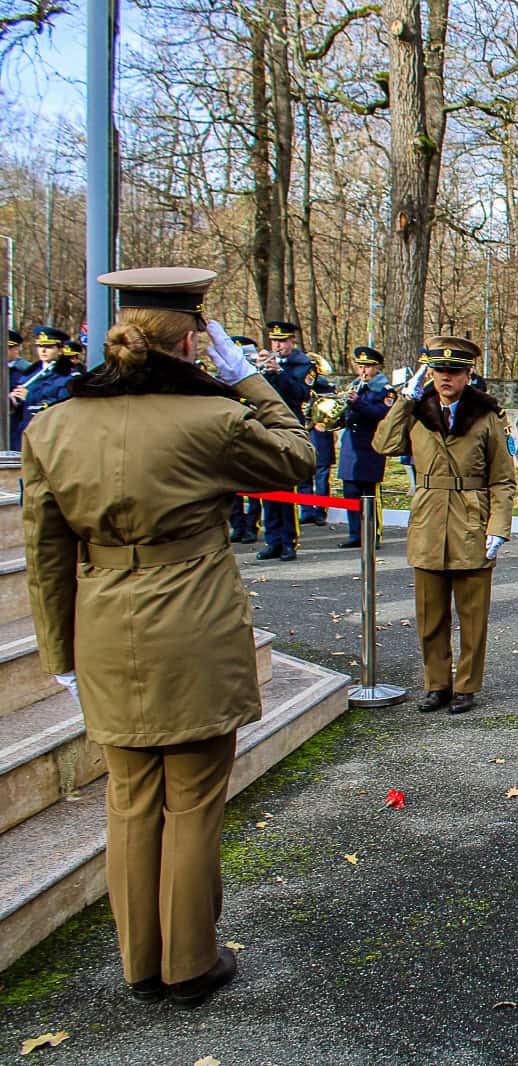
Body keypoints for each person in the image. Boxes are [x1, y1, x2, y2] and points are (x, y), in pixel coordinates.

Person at [21, 267, 314, 1007]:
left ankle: (139, 964)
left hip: (105, 625)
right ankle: (189, 964)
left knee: (128, 797)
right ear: (193, 340)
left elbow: (46, 555)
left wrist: (60, 656)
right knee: (191, 799)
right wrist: (244, 376)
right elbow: (298, 452)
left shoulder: (52, 425)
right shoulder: (208, 420)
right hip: (192, 622)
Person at [373, 336, 516, 715]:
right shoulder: (417, 412)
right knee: (430, 615)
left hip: (471, 520)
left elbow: (502, 479)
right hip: (428, 520)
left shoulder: (486, 417)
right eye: (439, 371)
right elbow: (384, 446)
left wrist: (498, 527)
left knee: (472, 617)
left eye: (454, 371)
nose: (445, 378)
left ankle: (467, 686)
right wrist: (403, 402)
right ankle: (437, 685)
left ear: (469, 374)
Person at [255, 321, 314, 560]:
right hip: (265, 427)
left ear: (292, 342)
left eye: (282, 341)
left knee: (286, 486)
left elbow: (301, 394)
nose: (278, 346)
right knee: (267, 484)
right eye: (274, 341)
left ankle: (289, 540)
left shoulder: (304, 366)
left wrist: (279, 374)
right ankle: (273, 539)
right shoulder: (263, 364)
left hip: (289, 427)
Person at [337, 346, 392, 549]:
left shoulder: (385, 391)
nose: (363, 371)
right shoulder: (354, 388)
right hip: (350, 448)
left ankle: (372, 533)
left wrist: (358, 403)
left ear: (376, 368)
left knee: (369, 494)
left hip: (370, 449)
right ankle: (355, 534)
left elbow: (381, 414)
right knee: (350, 492)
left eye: (367, 367)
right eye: (360, 366)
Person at [9, 326, 72, 450]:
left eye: (49, 347)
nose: (43, 350)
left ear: (60, 350)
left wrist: (29, 397)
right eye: (40, 346)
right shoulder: (29, 373)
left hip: (49, 434)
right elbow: (22, 409)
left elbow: (62, 405)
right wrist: (14, 401)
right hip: (25, 432)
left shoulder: (67, 375)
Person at [225, 335, 263, 545]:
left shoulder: (260, 377)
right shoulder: (224, 379)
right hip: (233, 436)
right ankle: (237, 525)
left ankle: (252, 526)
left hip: (255, 435)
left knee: (255, 488)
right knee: (234, 487)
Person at [302, 352, 338, 527]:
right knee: (302, 471)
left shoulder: (325, 387)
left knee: (321, 473)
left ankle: (320, 511)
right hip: (302, 432)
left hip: (320, 433)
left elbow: (331, 409)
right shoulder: (298, 384)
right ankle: (306, 509)